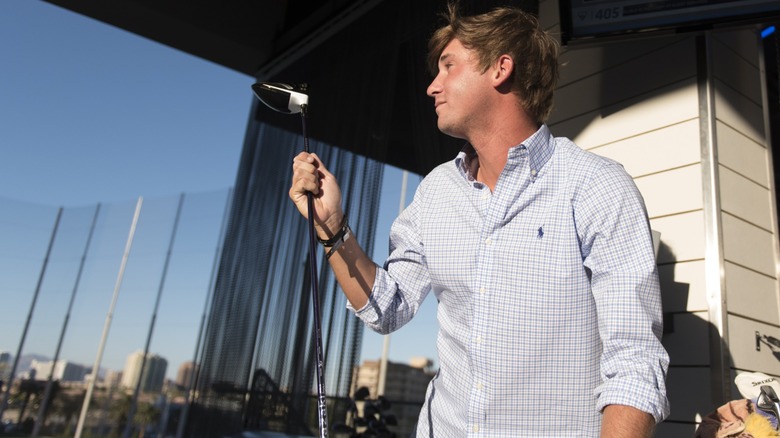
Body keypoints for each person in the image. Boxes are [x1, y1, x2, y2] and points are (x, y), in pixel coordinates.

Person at [289, 3, 669, 437]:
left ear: (500, 69)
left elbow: (634, 360)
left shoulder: (596, 186)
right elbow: (387, 309)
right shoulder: (436, 191)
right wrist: (332, 227)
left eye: (447, 67)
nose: (432, 86)